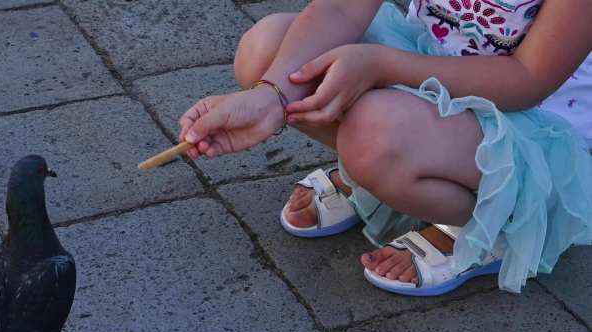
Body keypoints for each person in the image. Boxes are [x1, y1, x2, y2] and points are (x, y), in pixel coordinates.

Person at [178, 0, 592, 296]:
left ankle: (493, 225)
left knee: (373, 133)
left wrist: (382, 65)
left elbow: (527, 79)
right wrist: (271, 95)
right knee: (266, 51)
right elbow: (341, 9)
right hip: (432, 73)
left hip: (531, 130)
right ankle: (382, 174)